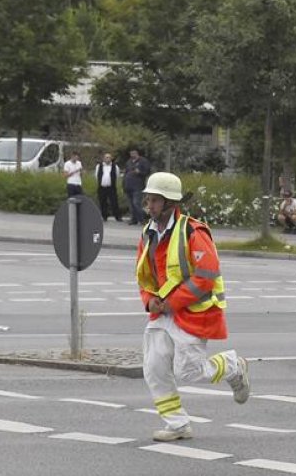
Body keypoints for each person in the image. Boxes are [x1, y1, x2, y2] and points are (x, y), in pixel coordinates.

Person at [136, 172, 250, 442]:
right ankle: (177, 425)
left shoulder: (193, 232)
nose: (149, 206)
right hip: (162, 313)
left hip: (193, 313)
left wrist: (171, 303)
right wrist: (148, 300)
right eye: (148, 200)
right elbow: (143, 275)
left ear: (170, 203)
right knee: (153, 367)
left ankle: (234, 365)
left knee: (187, 371)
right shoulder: (148, 233)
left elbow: (206, 276)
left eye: (154, 201)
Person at [124, 149, 151, 225]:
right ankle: (134, 219)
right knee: (131, 204)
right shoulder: (129, 162)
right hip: (128, 186)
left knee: (136, 203)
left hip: (138, 186)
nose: (132, 154)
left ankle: (143, 219)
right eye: (131, 153)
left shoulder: (143, 161)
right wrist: (124, 185)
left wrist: (140, 172)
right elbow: (126, 173)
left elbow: (147, 171)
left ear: (137, 153)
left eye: (134, 153)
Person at [95, 153, 122, 221]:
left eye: (109, 157)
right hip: (102, 187)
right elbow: (96, 175)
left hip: (111, 187)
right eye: (106, 157)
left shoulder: (115, 166)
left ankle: (117, 216)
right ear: (103, 158)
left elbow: (117, 175)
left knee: (114, 202)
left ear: (111, 158)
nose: (107, 159)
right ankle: (104, 216)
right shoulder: (99, 166)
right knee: (102, 202)